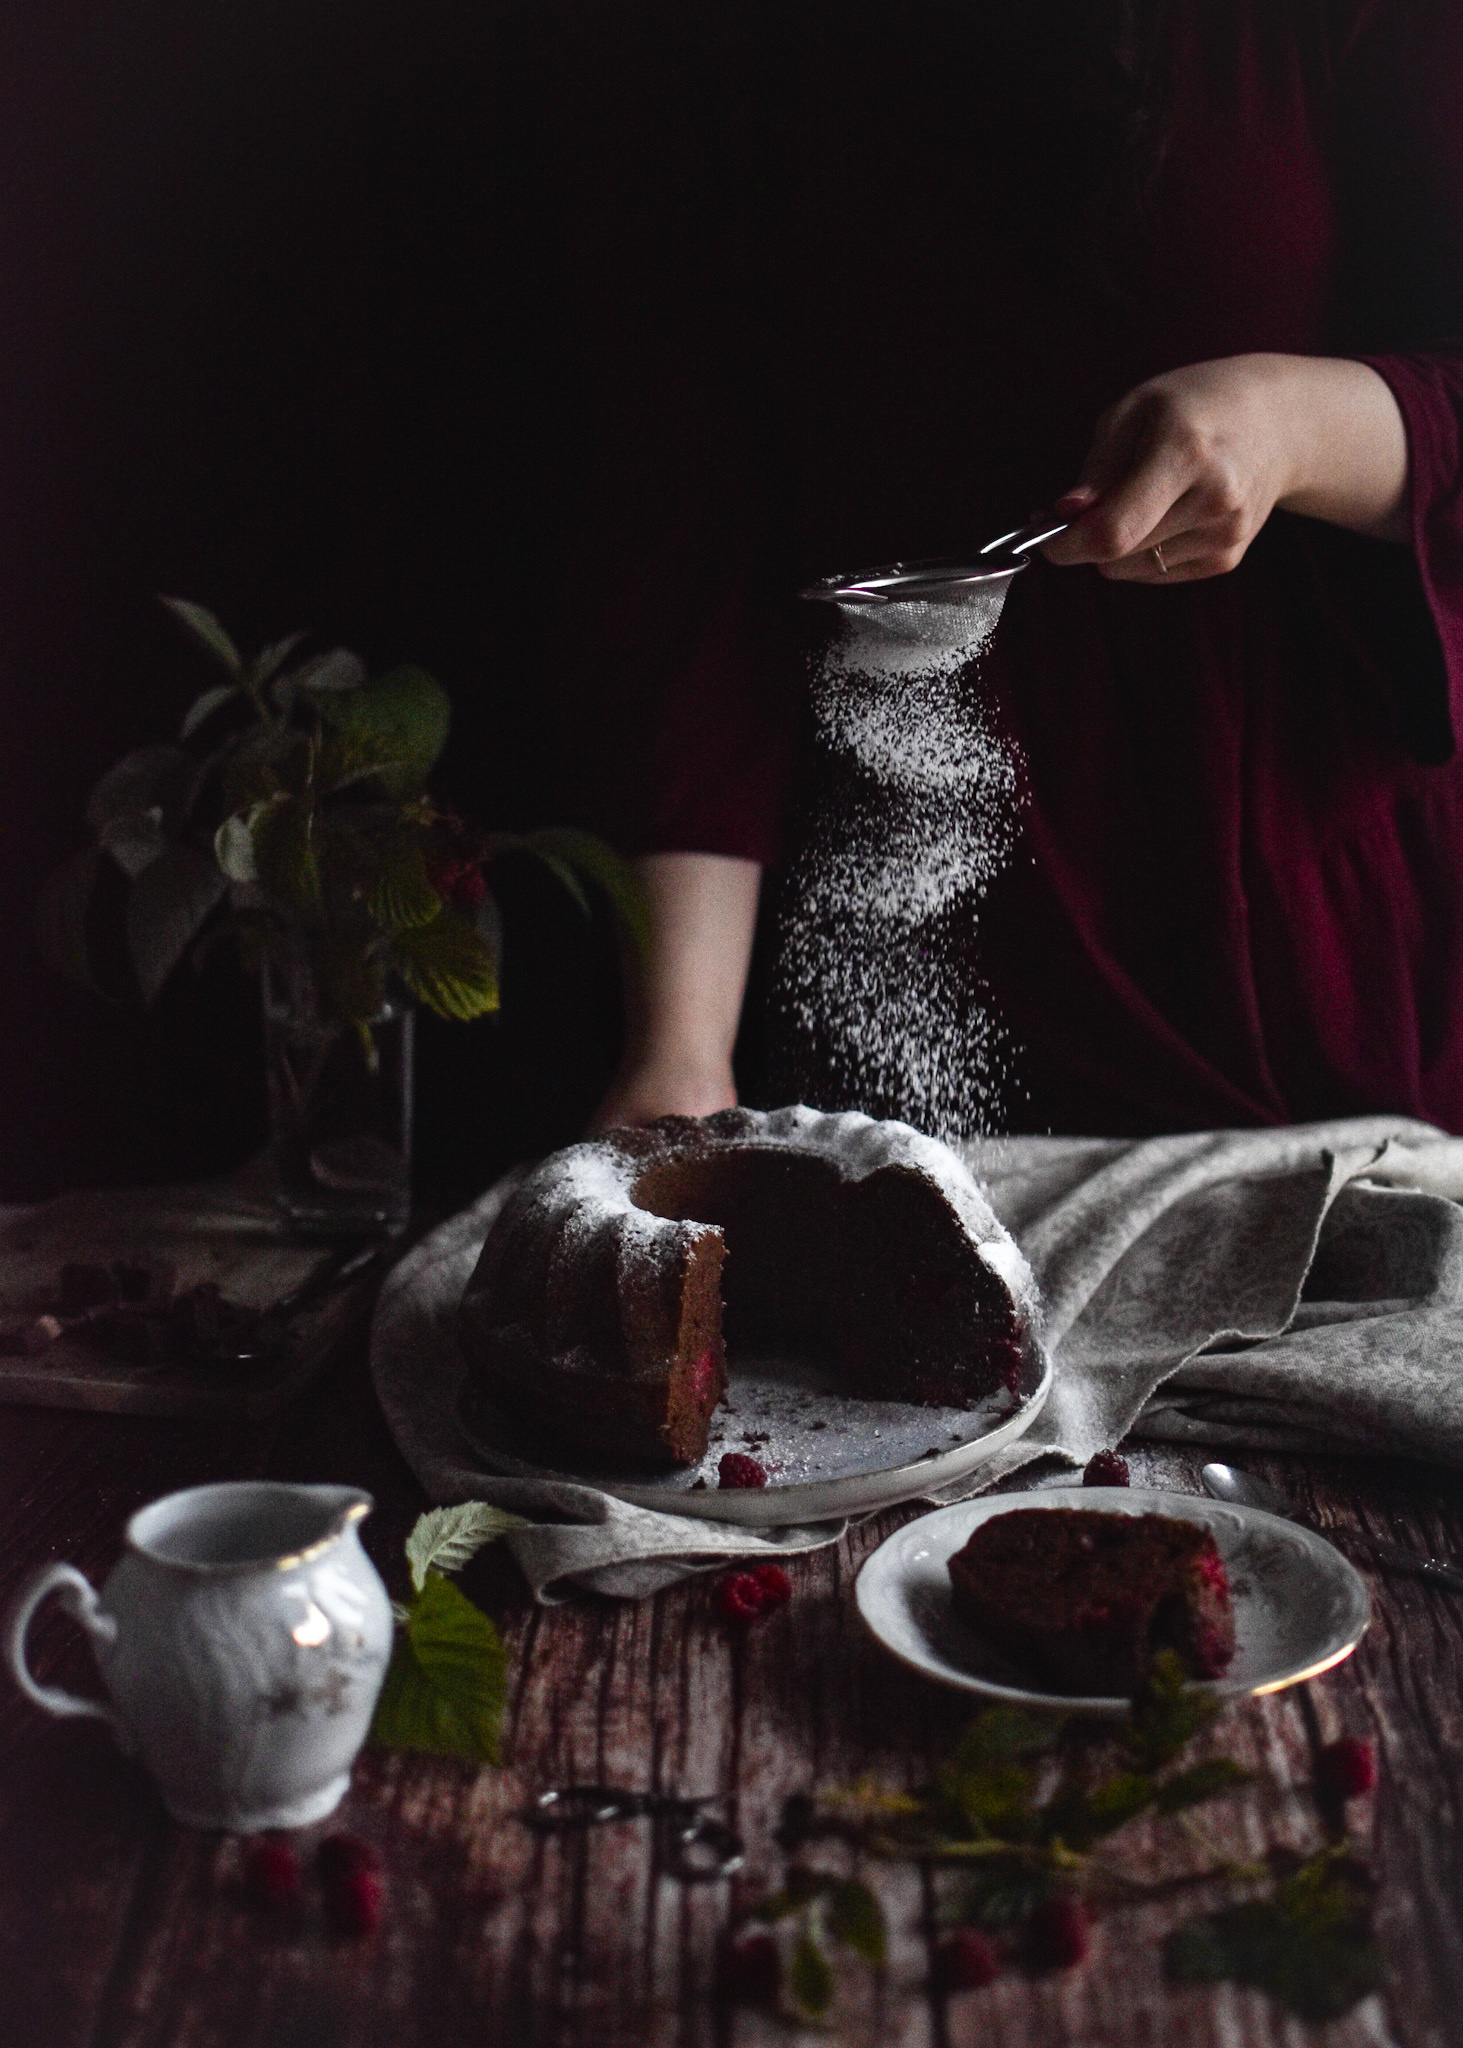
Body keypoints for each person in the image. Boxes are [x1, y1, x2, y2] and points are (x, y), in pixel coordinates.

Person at [550, 1, 1463, 1141]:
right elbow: (693, 559)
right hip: (907, 938)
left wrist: (1299, 426)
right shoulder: (719, 52)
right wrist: (680, 1049)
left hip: (1318, 955)